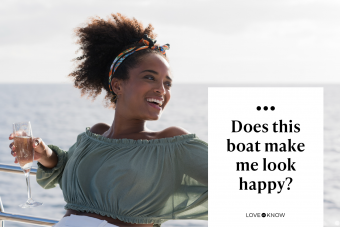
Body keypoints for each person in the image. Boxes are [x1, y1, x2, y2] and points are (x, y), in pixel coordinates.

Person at [9, 13, 208, 227]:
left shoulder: (171, 143)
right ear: (117, 85)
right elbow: (68, 171)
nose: (161, 89)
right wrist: (45, 154)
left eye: (167, 84)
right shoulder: (94, 136)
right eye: (149, 77)